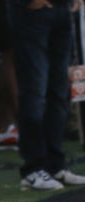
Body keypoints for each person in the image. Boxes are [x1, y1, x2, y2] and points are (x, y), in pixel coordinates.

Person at [6, 0, 85, 190]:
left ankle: (55, 165)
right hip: (32, 11)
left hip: (61, 9)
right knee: (35, 92)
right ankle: (33, 169)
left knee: (59, 93)